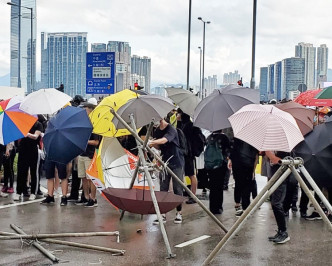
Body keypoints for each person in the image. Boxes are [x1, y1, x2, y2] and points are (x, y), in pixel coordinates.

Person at [149, 118, 185, 224]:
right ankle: (162, 214)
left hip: (177, 161)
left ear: (161, 118)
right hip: (165, 161)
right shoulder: (156, 131)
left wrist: (152, 141)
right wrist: (150, 144)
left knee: (177, 188)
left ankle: (179, 212)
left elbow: (165, 140)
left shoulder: (171, 129)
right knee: (163, 187)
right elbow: (160, 146)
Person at [75, 99, 100, 207]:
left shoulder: (95, 124)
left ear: (91, 110)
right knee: (83, 178)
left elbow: (96, 142)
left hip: (90, 155)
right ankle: (85, 197)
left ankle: (93, 199)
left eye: (85, 109)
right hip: (81, 154)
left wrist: (85, 141)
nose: (84, 111)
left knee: (91, 179)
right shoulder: (82, 124)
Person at [229, 138, 259, 217]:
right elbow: (256, 156)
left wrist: (230, 161)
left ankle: (237, 204)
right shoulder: (253, 139)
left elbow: (232, 152)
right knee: (247, 186)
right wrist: (253, 170)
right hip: (248, 164)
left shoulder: (237, 137)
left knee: (238, 183)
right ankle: (245, 207)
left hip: (237, 164)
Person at [14, 120, 43, 201]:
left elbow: (35, 136)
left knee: (34, 172)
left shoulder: (38, 124)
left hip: (33, 150)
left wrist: (27, 134)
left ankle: (33, 192)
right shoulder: (23, 123)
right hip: (23, 149)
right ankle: (18, 192)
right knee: (21, 171)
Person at [266, 151, 290, 244]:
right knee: (274, 203)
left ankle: (283, 232)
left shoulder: (284, 148)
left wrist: (270, 155)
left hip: (282, 176)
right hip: (276, 175)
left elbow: (277, 160)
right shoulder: (276, 145)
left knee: (277, 203)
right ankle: (281, 231)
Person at [204, 130, 230, 214]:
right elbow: (228, 150)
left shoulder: (209, 137)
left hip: (210, 165)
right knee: (219, 186)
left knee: (212, 186)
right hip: (220, 165)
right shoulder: (224, 137)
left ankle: (212, 207)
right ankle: (218, 207)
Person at [176, 110, 198, 204]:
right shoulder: (186, 124)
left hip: (187, 154)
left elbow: (179, 135)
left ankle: (193, 195)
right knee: (187, 174)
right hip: (186, 153)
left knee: (191, 174)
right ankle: (190, 193)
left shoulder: (188, 125)